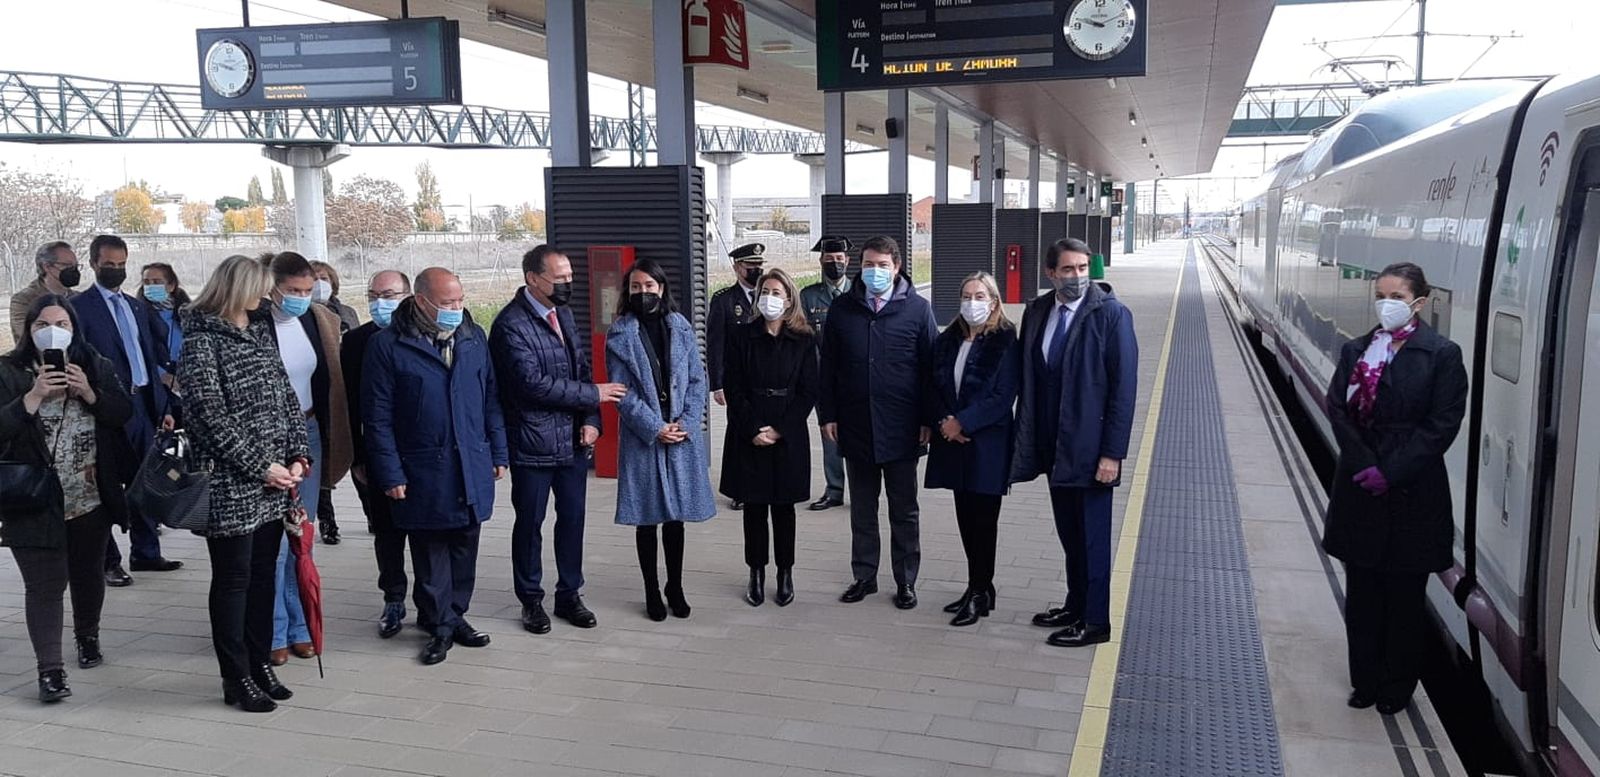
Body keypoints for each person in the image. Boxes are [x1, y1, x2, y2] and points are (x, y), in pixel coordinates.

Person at [1322, 262, 1466, 716]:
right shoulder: (1357, 350)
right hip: (1360, 487)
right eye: (1381, 296)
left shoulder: (1442, 355)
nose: (1387, 305)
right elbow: (1337, 408)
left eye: (1397, 297)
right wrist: (1365, 464)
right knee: (1363, 594)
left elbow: (1442, 424)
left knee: (1405, 597)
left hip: (1412, 494)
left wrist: (1392, 472)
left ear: (1418, 302)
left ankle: (1396, 686)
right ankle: (1364, 681)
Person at [180, 254, 310, 713]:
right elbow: (208, 419)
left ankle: (259, 664)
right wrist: (261, 466)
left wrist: (298, 455)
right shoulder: (200, 342)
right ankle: (235, 676)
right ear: (237, 289)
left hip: (274, 483)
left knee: (262, 577)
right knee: (233, 581)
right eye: (260, 288)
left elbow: (288, 399)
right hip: (232, 485)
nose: (267, 296)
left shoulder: (258, 332)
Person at [363, 267, 508, 665]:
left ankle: (455, 615)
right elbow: (377, 417)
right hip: (423, 466)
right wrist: (390, 473)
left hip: (471, 460)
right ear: (421, 301)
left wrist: (498, 452)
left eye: (460, 300)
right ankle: (439, 624)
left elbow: (490, 399)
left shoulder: (472, 337)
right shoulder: (388, 345)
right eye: (447, 302)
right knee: (430, 551)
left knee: (465, 544)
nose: (456, 308)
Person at [0, 295, 132, 702]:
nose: (53, 332)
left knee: (88, 572)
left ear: (74, 329)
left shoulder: (94, 364)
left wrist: (90, 392)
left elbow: (122, 412)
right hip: (31, 498)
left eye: (62, 324)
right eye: (43, 325)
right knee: (44, 585)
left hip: (88, 495)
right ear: (28, 330)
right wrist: (32, 397)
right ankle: (50, 671)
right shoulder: (8, 371)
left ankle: (87, 635)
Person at [1011, 237, 1138, 648]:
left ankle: (1096, 621)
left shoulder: (1112, 316)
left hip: (1092, 450)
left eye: (1083, 269)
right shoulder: (1037, 312)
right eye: (1068, 269)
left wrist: (1112, 453)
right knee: (1069, 533)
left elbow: (1123, 391)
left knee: (1093, 539)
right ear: (1051, 273)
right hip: (1054, 447)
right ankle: (1074, 604)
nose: (1077, 277)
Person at [491, 245, 624, 634]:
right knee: (530, 523)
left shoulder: (562, 313)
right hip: (532, 442)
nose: (567, 284)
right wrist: (594, 395)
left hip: (572, 441)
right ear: (533, 279)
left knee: (573, 520)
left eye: (570, 277)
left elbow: (581, 370)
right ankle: (531, 600)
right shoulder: (510, 325)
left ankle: (569, 594)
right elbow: (531, 384)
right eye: (559, 278)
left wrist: (592, 419)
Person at [817, 235, 937, 610]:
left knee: (904, 511)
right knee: (863, 510)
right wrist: (827, 414)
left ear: (896, 267)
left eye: (883, 265)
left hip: (903, 428)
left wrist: (928, 419)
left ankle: (906, 580)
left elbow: (931, 370)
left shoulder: (917, 310)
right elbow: (828, 367)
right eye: (869, 264)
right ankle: (864, 576)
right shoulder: (843, 309)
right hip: (856, 425)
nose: (875, 271)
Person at [606, 257, 716, 621]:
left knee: (675, 518)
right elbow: (621, 391)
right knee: (646, 517)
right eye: (636, 287)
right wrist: (655, 427)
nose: (643, 292)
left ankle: (675, 586)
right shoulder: (620, 333)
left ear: (661, 288)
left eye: (649, 286)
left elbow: (698, 380)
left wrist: (686, 422)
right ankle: (651, 589)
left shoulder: (680, 326)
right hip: (645, 436)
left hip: (680, 433)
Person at [259, 252, 353, 664]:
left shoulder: (319, 320)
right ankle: (274, 628)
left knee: (301, 537)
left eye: (307, 289)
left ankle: (301, 625)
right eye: (292, 290)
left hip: (309, 433)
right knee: (274, 543)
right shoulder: (253, 323)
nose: (301, 297)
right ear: (272, 287)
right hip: (267, 441)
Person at [72, 235, 178, 585]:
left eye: (121, 265)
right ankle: (108, 561)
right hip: (103, 407)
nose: (115, 270)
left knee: (144, 481)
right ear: (93, 264)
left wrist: (161, 407)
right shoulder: (79, 307)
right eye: (108, 264)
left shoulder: (135, 307)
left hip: (142, 404)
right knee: (105, 484)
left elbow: (148, 356)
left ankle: (146, 552)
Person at [924, 272, 1020, 627]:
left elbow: (1003, 396)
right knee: (965, 518)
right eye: (966, 296)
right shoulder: (948, 339)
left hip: (987, 444)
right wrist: (944, 422)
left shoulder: (1005, 339)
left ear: (994, 302)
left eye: (980, 296)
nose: (972, 302)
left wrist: (963, 423)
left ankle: (980, 591)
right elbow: (933, 385)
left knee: (984, 522)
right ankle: (977, 586)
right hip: (953, 443)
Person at [719, 268, 817, 607]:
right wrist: (753, 429)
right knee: (754, 508)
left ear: (789, 300)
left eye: (776, 293)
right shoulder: (741, 336)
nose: (769, 298)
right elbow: (733, 386)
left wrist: (779, 430)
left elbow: (808, 391)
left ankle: (785, 573)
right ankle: (756, 572)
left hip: (787, 432)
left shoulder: (804, 339)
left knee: (784, 509)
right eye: (765, 292)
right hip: (750, 429)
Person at [341, 269, 415, 638]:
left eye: (388, 295)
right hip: (377, 453)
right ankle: (394, 597)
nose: (379, 303)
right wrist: (357, 457)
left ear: (409, 295)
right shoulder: (356, 341)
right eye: (373, 296)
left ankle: (433, 602)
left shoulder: (424, 333)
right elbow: (350, 403)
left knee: (427, 534)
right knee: (386, 532)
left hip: (422, 453)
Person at [706, 243, 765, 511]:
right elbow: (715, 344)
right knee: (740, 433)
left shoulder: (769, 295)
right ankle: (740, 489)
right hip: (736, 381)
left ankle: (761, 483)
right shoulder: (724, 300)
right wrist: (717, 384)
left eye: (759, 265)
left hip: (765, 380)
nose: (756, 270)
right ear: (738, 268)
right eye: (750, 266)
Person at [800, 236, 852, 512]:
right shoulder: (808, 296)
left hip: (855, 380)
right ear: (821, 261)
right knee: (829, 434)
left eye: (839, 259)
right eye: (829, 259)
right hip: (823, 380)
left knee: (856, 434)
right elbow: (804, 340)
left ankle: (861, 490)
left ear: (848, 261)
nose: (835, 263)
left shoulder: (860, 291)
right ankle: (834, 490)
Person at [310, 259, 358, 546]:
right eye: (314, 277)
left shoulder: (347, 313)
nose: (319, 283)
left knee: (354, 454)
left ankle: (372, 513)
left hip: (347, 392)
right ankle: (328, 520)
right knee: (322, 461)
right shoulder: (306, 317)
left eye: (324, 278)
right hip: (320, 397)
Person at [9, 242, 81, 342]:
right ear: (47, 267)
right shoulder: (24, 300)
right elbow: (29, 339)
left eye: (76, 265)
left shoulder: (81, 299)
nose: (74, 270)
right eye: (67, 265)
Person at [138, 262, 189, 394]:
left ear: (171, 286)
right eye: (146, 282)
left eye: (157, 282)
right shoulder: (138, 316)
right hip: (158, 385)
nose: (150, 286)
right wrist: (161, 375)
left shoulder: (187, 315)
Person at [310, 260, 362, 334]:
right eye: (314, 279)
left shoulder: (349, 312)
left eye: (324, 278)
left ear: (332, 282)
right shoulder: (301, 313)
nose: (320, 283)